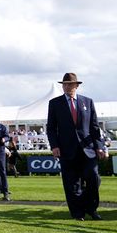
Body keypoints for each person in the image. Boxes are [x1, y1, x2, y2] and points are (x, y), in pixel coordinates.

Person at [46, 72, 107, 221]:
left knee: (94, 178)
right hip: (66, 150)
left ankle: (91, 209)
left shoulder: (88, 102)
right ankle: (78, 213)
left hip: (88, 149)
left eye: (69, 84)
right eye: (64, 84)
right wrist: (54, 146)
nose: (66, 86)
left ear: (77, 85)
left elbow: (94, 127)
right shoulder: (55, 103)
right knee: (72, 184)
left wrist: (99, 146)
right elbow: (51, 128)